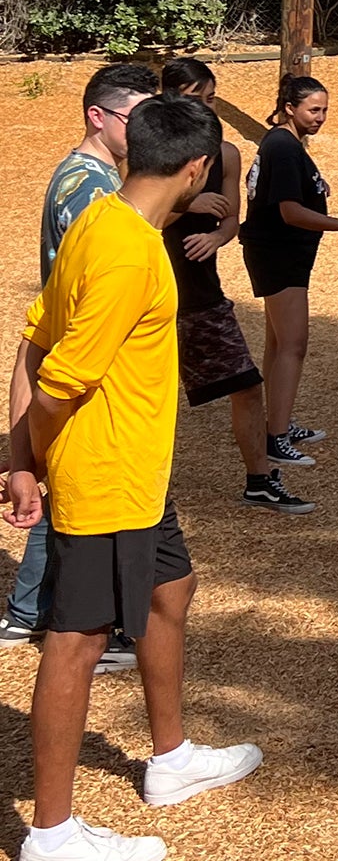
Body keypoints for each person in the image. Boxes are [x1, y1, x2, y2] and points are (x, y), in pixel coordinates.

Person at [5, 93, 263, 861]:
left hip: (139, 474)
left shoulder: (104, 221)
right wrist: (19, 458)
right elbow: (58, 375)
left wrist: (18, 453)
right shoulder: (130, 254)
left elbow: (33, 335)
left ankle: (172, 757)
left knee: (170, 588)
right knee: (75, 643)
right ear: (192, 169)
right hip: (106, 477)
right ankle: (51, 839)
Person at [0, 64, 159, 672]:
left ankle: (29, 608)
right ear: (99, 117)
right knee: (78, 497)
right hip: (84, 362)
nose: (143, 130)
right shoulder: (89, 188)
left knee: (58, 491)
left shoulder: (86, 176)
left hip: (71, 354)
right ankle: (81, 622)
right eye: (134, 117)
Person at [160, 59, 312, 514]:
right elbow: (138, 217)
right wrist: (187, 201)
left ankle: (259, 481)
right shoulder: (149, 152)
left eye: (210, 99)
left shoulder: (225, 154)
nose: (207, 109)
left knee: (247, 385)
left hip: (200, 293)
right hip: (154, 291)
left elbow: (231, 220)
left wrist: (216, 234)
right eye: (196, 99)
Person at [241, 74, 338, 468]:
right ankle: (275, 438)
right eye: (313, 109)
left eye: (324, 109)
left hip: (277, 252)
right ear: (290, 108)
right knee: (293, 344)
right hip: (278, 254)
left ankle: (279, 422)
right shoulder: (284, 148)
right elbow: (290, 212)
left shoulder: (282, 143)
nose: (321, 117)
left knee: (278, 343)